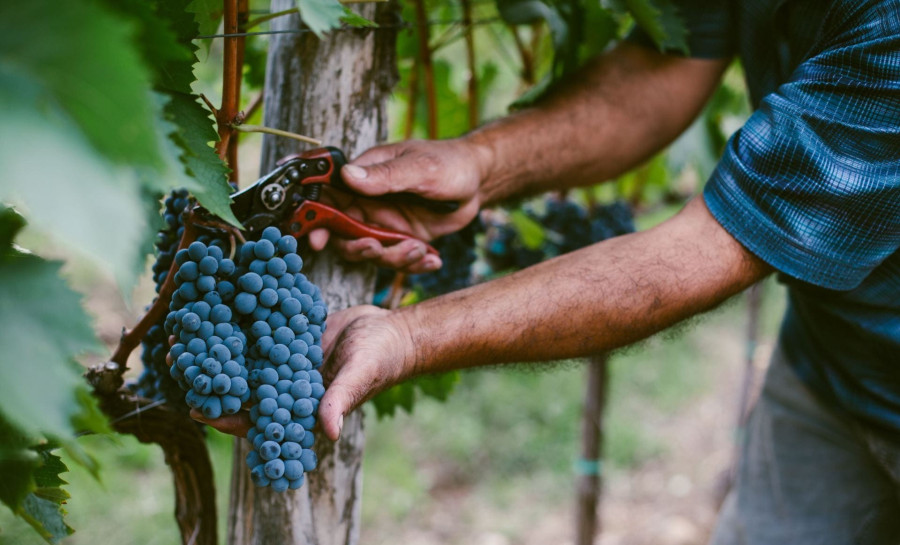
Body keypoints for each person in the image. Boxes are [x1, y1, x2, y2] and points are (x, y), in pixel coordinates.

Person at [206, 0, 900, 542]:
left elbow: (702, 253)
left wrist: (411, 336)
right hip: (831, 365)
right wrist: (481, 164)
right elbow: (666, 69)